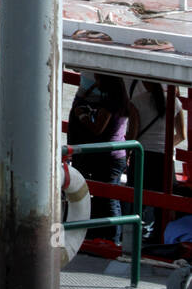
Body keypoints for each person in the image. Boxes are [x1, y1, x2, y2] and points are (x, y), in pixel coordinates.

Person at [68, 73, 130, 245]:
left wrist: (82, 115)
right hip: (118, 154)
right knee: (110, 197)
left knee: (108, 198)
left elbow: (97, 129)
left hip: (108, 155)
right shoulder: (123, 102)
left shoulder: (110, 104)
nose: (96, 82)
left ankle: (113, 239)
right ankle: (112, 237)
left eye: (99, 80)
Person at [127, 79, 185, 242]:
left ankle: (133, 238)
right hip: (165, 159)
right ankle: (160, 239)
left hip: (143, 155)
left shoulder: (137, 101)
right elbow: (181, 135)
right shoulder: (175, 102)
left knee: (137, 200)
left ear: (145, 82)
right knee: (163, 203)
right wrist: (164, 146)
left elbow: (132, 134)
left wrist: (126, 155)